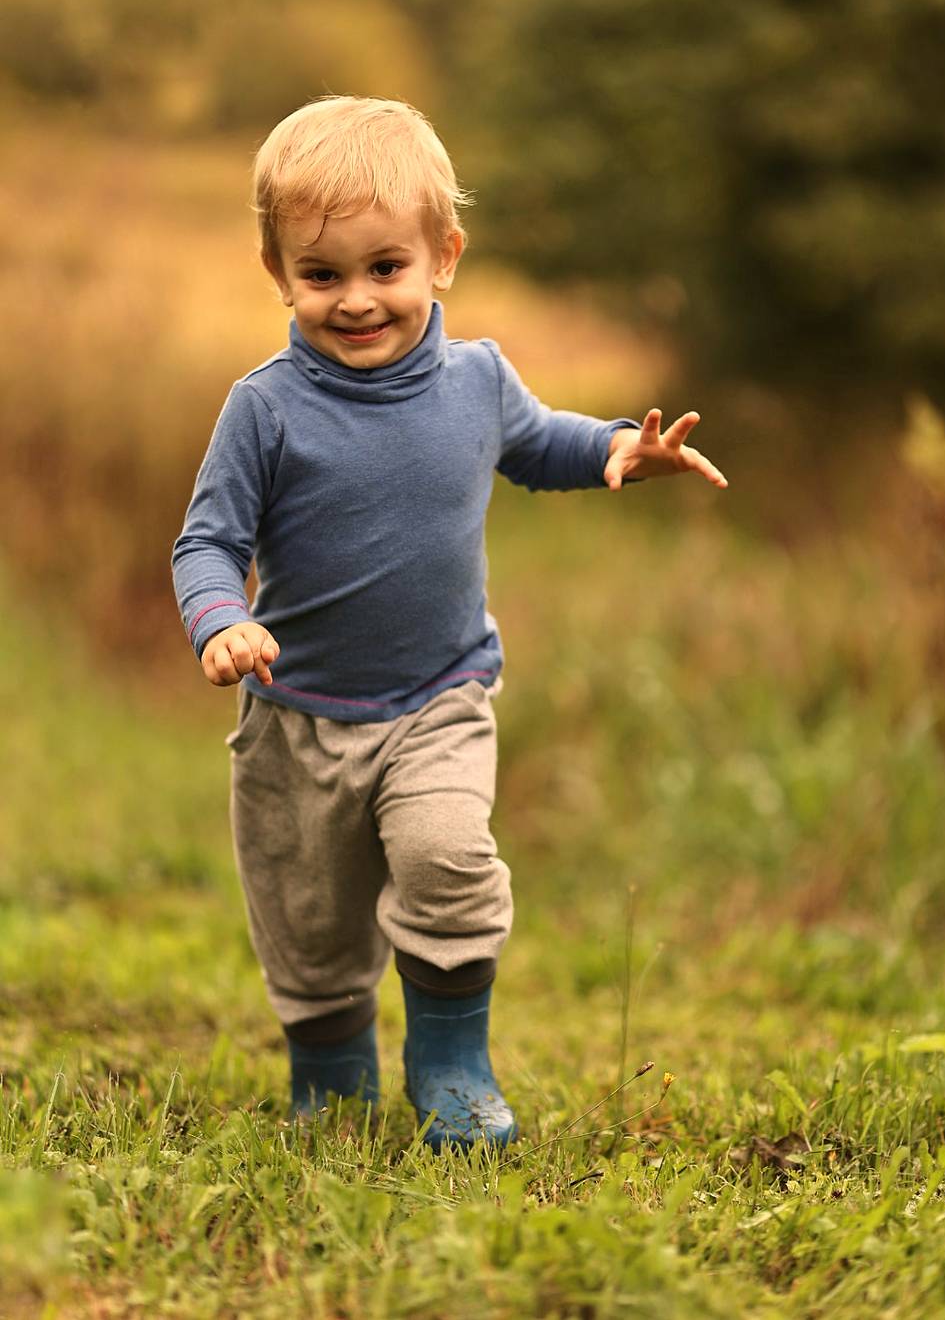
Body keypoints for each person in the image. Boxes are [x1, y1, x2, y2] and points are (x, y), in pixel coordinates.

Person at [171, 95, 727, 1150]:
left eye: (386, 267)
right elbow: (206, 541)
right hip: (298, 719)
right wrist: (218, 622)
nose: (356, 299)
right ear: (278, 273)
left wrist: (617, 448)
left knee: (446, 857)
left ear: (444, 257)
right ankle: (332, 1071)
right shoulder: (266, 408)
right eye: (321, 274)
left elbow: (540, 443)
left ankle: (452, 1063)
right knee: (309, 919)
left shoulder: (477, 380)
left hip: (440, 696)